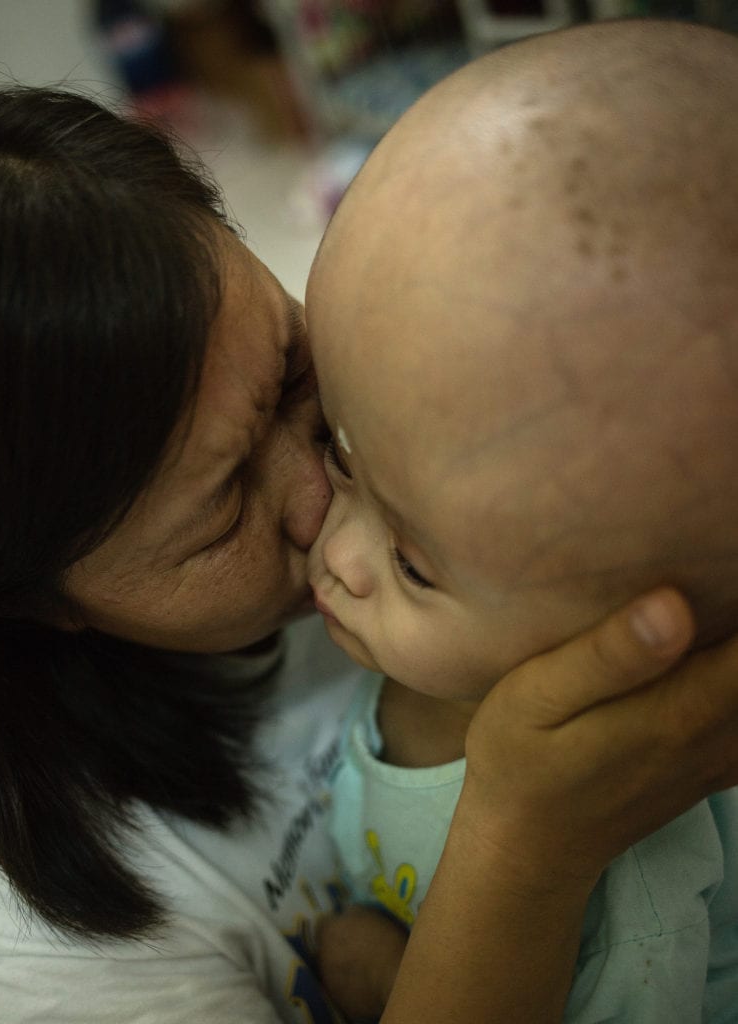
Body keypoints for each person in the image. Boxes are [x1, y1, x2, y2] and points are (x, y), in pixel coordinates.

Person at [0, 75, 737, 1024]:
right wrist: (525, 846)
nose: (335, 505)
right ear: (31, 600)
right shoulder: (24, 950)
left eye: (295, 372)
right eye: (222, 517)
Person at [307, 17, 738, 1023]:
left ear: (648, 647)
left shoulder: (620, 862)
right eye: (337, 455)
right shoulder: (477, 579)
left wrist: (374, 972)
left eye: (410, 564)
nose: (331, 550)